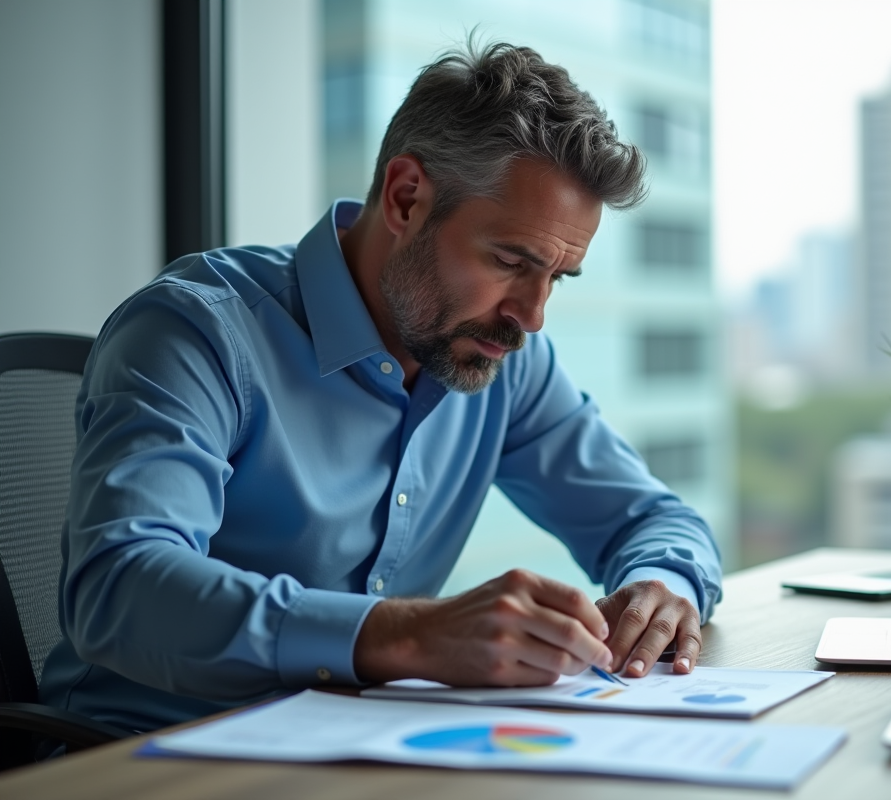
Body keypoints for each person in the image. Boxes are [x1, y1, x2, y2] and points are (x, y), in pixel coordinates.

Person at [39, 40, 722, 734]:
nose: (532, 316)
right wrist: (407, 636)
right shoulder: (196, 332)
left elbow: (654, 520)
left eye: (556, 277)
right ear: (406, 198)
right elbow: (119, 586)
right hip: (147, 757)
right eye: (511, 260)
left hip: (365, 751)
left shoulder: (501, 356)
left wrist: (661, 590)